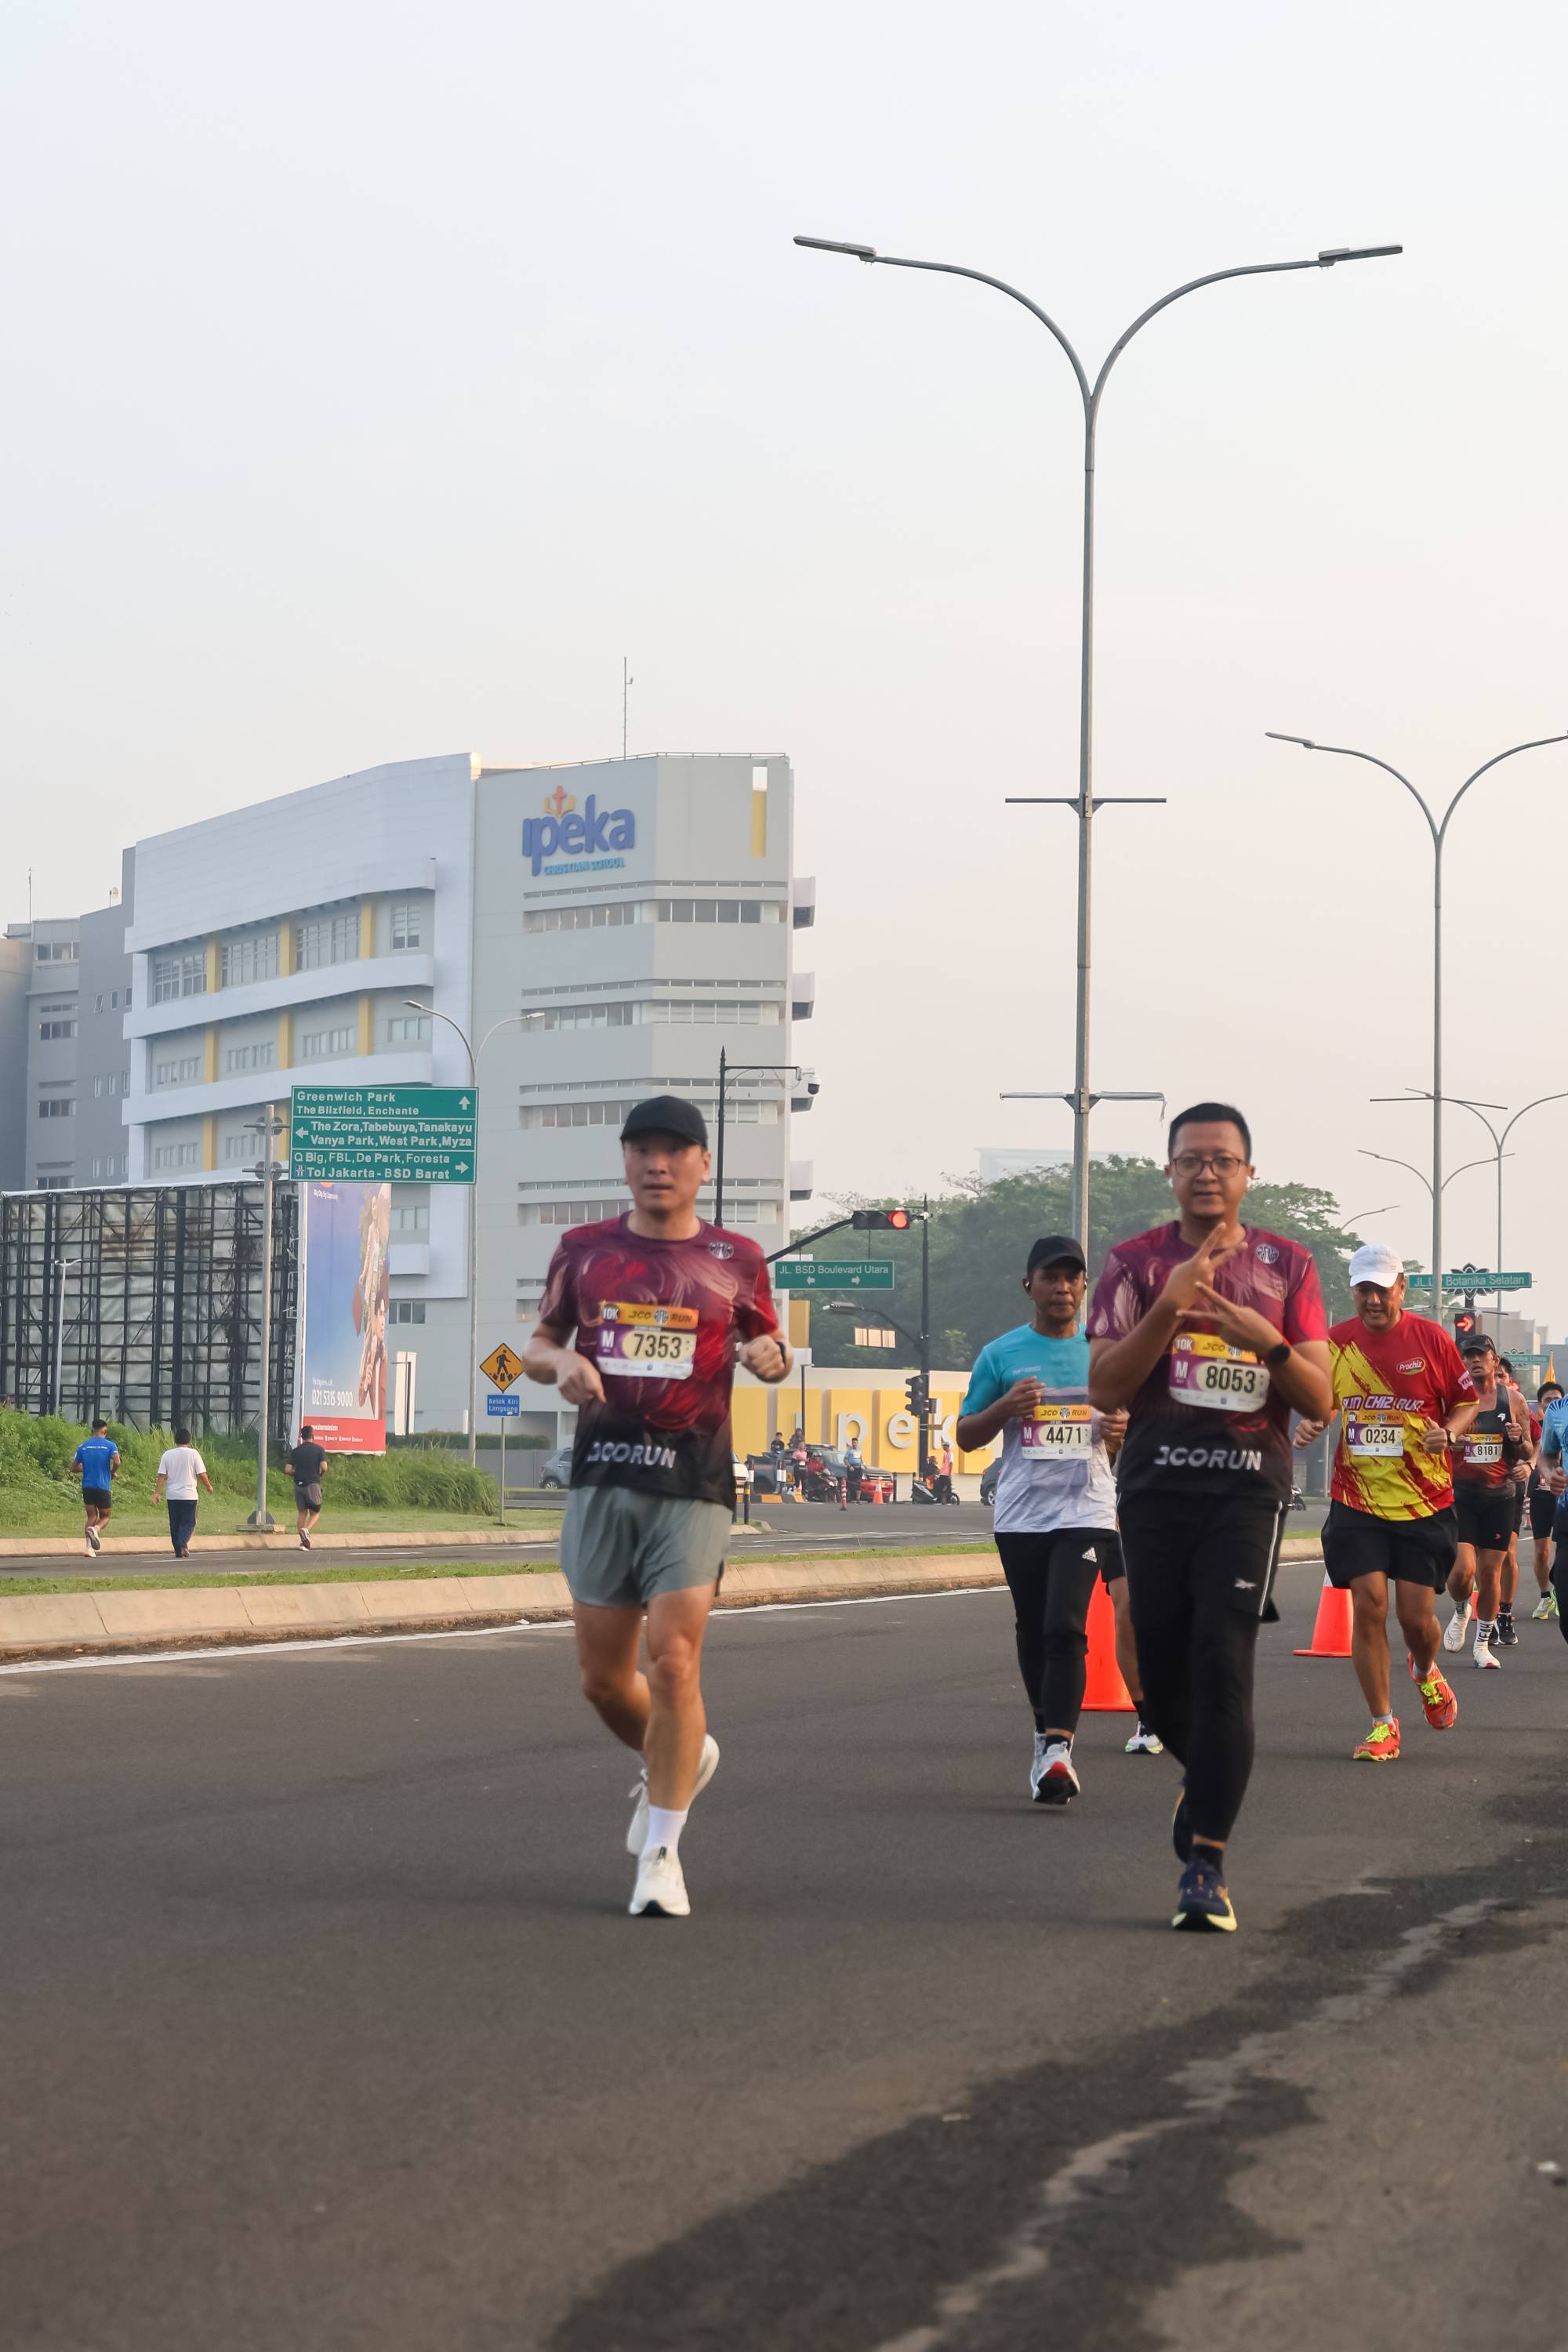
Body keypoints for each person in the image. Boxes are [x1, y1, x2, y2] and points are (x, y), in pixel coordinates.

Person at [521, 1094, 791, 1919]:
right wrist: (560, 1365)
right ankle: (679, 1753)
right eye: (641, 1149)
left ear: (703, 1164)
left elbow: (771, 1345)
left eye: (674, 1151)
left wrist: (768, 1353)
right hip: (604, 1475)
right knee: (604, 1682)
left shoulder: (737, 1259)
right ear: (625, 1160)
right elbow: (536, 1345)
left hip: (693, 1480)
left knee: (673, 1661)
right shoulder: (585, 1251)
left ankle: (663, 1854)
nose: (657, 1164)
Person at [1088, 1102, 1332, 1933]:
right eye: (1190, 1159)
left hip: (1245, 1493)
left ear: (1247, 1174)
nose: (1206, 1173)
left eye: (1222, 1160)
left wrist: (1267, 1341)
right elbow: (1104, 1386)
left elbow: (1317, 1398)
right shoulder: (1133, 1264)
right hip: (1154, 1490)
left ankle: (1206, 1865)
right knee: (1159, 1678)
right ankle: (1206, 1779)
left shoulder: (1287, 1265)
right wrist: (1169, 1308)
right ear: (1169, 1171)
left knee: (1221, 1660)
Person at [957, 1236, 1138, 1807]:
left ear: (1084, 1286)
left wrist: (1119, 1432)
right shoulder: (1001, 1354)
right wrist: (1004, 1408)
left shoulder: (1106, 1352)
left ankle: (1059, 1749)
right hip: (1022, 1513)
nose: (1062, 1288)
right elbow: (965, 1436)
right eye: (1050, 1278)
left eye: (1072, 1278)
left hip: (1087, 1509)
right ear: (1028, 1285)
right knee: (1033, 1627)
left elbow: (1131, 1431)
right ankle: (1044, 1734)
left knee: (1065, 1625)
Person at [1294, 1243, 1472, 1760]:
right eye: (1363, 1289)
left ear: (1401, 1288)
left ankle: (1424, 1669)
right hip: (1357, 1499)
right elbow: (1325, 1402)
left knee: (1417, 1622)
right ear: (1353, 1291)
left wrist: (1449, 1433)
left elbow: (1465, 1402)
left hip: (1423, 1501)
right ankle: (1382, 1724)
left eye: (1382, 1289)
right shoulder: (1336, 1343)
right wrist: (1315, 1421)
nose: (1373, 1299)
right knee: (1369, 1605)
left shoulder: (1431, 1339)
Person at [1442, 1333, 1533, 1667]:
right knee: (1461, 1571)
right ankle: (1461, 1609)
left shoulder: (1514, 1401)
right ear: (1463, 1362)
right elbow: (1433, 1441)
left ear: (1495, 1360)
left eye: (1482, 1354)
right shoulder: (1452, 1400)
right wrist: (1447, 1443)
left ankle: (1482, 1645)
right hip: (1461, 1495)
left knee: (1490, 1573)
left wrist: (1519, 1441)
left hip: (1500, 1497)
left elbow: (1527, 1449)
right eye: (1470, 1356)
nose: (1476, 1360)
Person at [1528, 1381, 1563, 1618]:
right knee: (1541, 1552)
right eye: (1547, 1400)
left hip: (1562, 1499)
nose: (1552, 1404)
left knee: (1562, 1553)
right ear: (1540, 1405)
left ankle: (1561, 1592)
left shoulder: (1564, 1422)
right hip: (1540, 1496)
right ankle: (1545, 1596)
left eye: (1556, 1399)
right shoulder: (1535, 1428)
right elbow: (1528, 1454)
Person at [154, 1426, 214, 1558]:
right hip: (189, 1495)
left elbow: (161, 1475)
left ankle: (179, 1549)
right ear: (190, 1440)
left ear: (175, 1440)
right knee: (189, 1522)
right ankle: (182, 1544)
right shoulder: (194, 1454)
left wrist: (157, 1493)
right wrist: (209, 1486)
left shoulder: (167, 1454)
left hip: (172, 1496)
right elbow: (202, 1474)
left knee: (175, 1523)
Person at [70, 1416, 120, 1555]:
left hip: (87, 1486)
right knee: (105, 1516)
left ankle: (88, 1548)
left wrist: (86, 1468)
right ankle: (96, 1529)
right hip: (102, 1486)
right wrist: (112, 1473)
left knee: (91, 1516)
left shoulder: (83, 1446)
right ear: (104, 1431)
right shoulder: (110, 1445)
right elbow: (117, 1462)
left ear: (93, 1430)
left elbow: (73, 1468)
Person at [285, 1422, 328, 1551]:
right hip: (313, 1483)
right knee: (315, 1512)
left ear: (301, 1437)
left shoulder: (296, 1451)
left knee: (302, 1512)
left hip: (298, 1484)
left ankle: (304, 1543)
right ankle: (306, 1530)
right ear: (313, 1436)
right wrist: (320, 1475)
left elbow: (287, 1469)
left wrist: (296, 1474)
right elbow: (324, 1467)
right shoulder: (319, 1450)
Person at [843, 1433, 864, 1503]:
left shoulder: (860, 1450)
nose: (854, 1444)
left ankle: (858, 1499)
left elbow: (861, 1458)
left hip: (858, 1469)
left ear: (857, 1443)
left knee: (858, 1484)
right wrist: (850, 1466)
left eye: (855, 1443)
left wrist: (863, 1464)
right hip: (852, 1468)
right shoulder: (850, 1451)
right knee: (850, 1483)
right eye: (853, 1443)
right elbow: (845, 1460)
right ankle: (849, 1498)